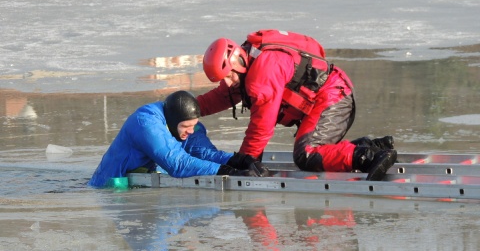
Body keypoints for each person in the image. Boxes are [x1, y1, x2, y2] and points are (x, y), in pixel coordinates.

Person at [196, 29, 397, 181]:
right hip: (329, 95)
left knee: (306, 155)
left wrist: (247, 160)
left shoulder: (262, 73)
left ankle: (369, 156)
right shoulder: (247, 64)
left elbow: (262, 126)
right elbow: (220, 97)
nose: (229, 82)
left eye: (229, 76)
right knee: (309, 153)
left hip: (333, 98)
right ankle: (366, 145)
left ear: (238, 61)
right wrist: (182, 109)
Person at [88, 90, 268, 188]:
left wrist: (240, 160)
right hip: (113, 187)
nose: (190, 131)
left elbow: (202, 152)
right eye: (185, 127)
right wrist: (228, 172)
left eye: (193, 126)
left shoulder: (184, 125)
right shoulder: (146, 124)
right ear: (172, 122)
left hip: (143, 180)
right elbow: (177, 164)